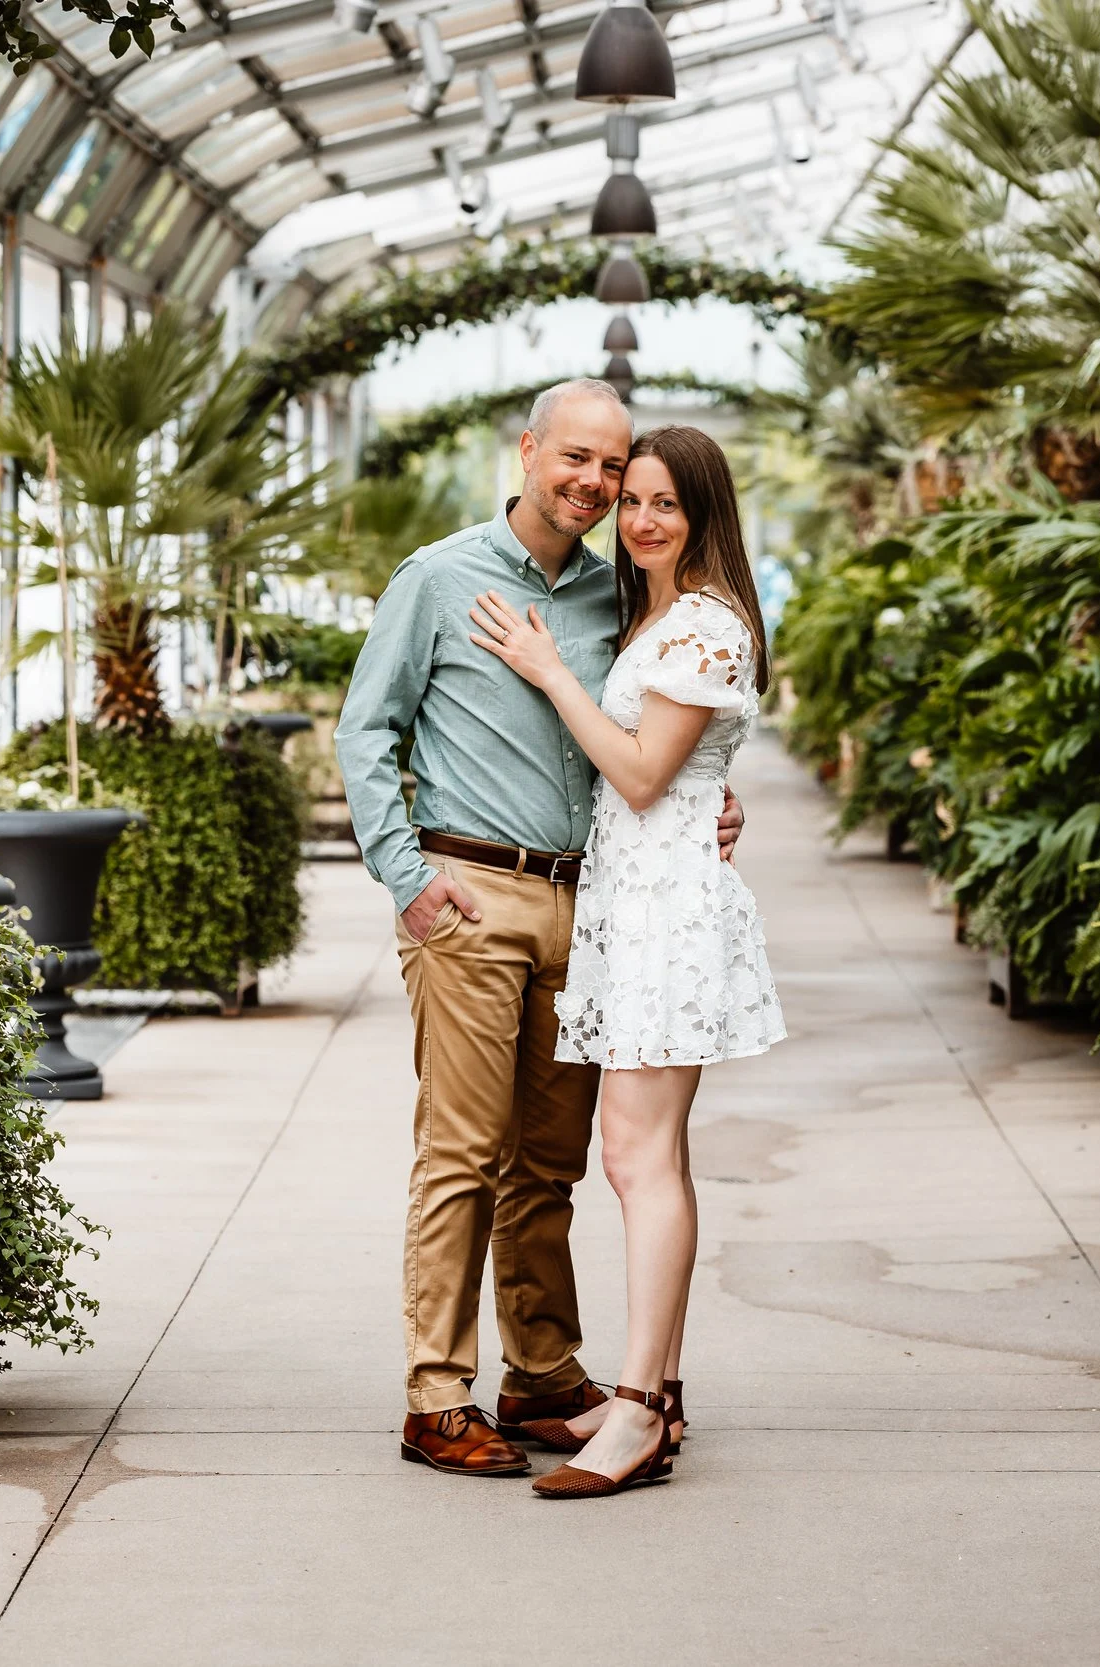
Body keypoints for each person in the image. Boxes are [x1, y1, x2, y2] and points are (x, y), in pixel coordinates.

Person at [335, 380, 745, 1478]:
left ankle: (543, 1375)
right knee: (462, 1152)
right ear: (527, 449)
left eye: (612, 470)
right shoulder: (439, 577)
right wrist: (405, 878)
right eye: (575, 458)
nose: (594, 484)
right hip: (471, 894)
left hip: (596, 904)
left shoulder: (625, 595)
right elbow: (365, 729)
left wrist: (713, 795)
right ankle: (436, 1393)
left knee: (550, 1163)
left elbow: (660, 735)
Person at [464, 424, 786, 1499]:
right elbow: (678, 780)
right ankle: (660, 1389)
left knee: (638, 1161)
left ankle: (640, 1407)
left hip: (665, 916)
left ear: (703, 517)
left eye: (665, 504)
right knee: (646, 1158)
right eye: (632, 498)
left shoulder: (702, 624)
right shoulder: (656, 615)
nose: (640, 518)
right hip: (635, 906)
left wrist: (551, 670)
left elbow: (646, 775)